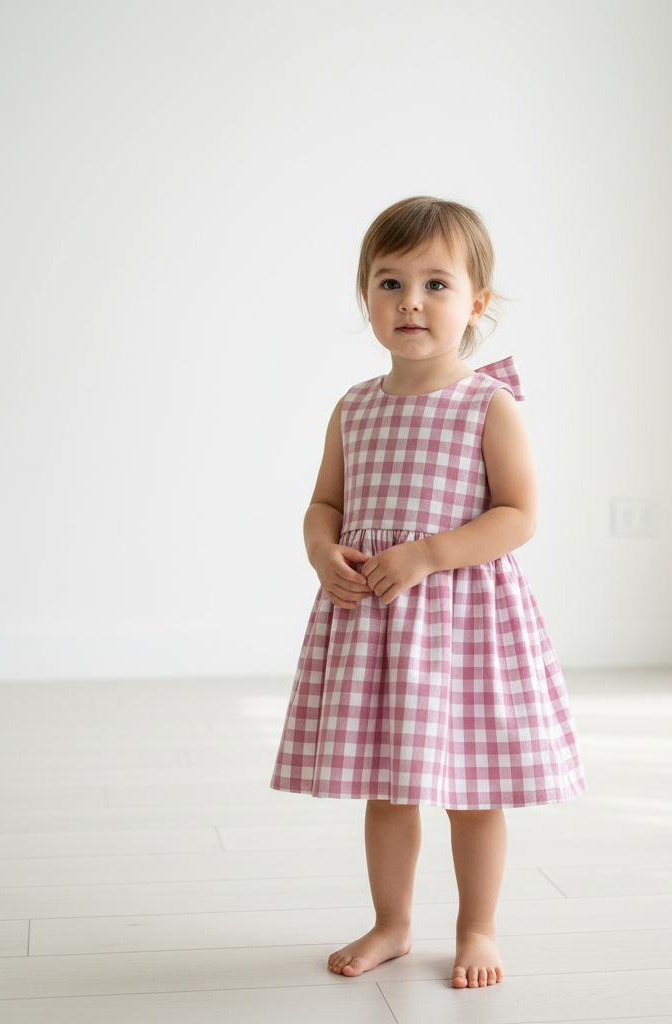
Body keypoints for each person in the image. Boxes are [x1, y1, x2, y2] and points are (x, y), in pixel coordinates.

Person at [271, 196, 585, 989]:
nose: (410, 301)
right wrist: (320, 548)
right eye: (389, 282)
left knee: (473, 791)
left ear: (477, 303)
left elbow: (518, 516)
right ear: (366, 297)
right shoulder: (356, 407)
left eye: (436, 284)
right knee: (389, 785)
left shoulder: (487, 403)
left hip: (462, 625)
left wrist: (429, 554)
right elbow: (325, 502)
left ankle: (476, 927)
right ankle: (392, 921)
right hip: (379, 624)